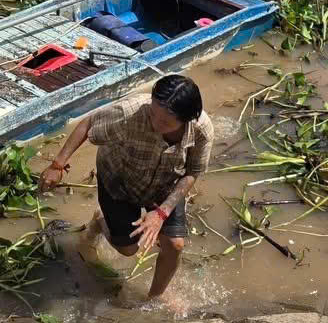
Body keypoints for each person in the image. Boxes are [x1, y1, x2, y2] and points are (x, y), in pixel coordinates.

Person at [40, 74, 213, 301]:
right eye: (153, 114)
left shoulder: (202, 131)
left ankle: (154, 298)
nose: (155, 124)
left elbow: (192, 172)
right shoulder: (128, 112)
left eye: (165, 122)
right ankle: (100, 221)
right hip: (119, 179)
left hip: (166, 182)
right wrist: (57, 164)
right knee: (129, 250)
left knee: (175, 245)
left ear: (188, 119)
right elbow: (88, 123)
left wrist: (161, 213)